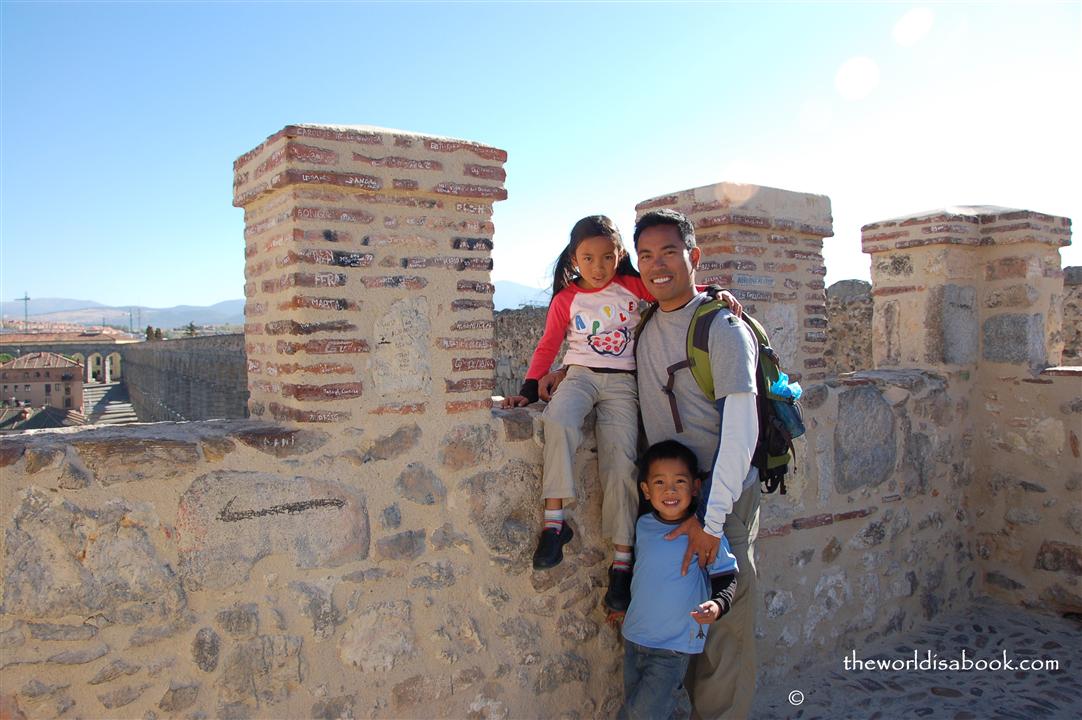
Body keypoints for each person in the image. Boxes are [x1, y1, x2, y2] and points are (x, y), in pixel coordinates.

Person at [501, 215, 739, 613]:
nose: (598, 267)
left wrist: (712, 292)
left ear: (620, 256)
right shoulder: (566, 299)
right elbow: (548, 345)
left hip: (623, 383)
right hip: (578, 376)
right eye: (588, 258)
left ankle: (621, 564)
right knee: (557, 422)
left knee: (621, 465)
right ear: (574, 259)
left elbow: (673, 289)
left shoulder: (632, 286)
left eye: (607, 257)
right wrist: (529, 389)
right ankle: (554, 522)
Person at [633, 208, 761, 719]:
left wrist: (710, 520)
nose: (656, 264)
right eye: (645, 255)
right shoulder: (645, 319)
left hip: (719, 502)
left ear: (694, 256)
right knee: (683, 624)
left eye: (669, 251)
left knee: (723, 640)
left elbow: (742, 430)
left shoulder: (723, 328)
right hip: (673, 500)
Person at [620, 439, 738, 720]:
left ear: (696, 487)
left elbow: (726, 575)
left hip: (673, 647)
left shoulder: (705, 534)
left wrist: (718, 605)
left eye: (680, 482)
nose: (670, 490)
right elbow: (640, 571)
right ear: (646, 490)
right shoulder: (643, 525)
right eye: (659, 482)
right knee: (654, 710)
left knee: (639, 715)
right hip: (634, 638)